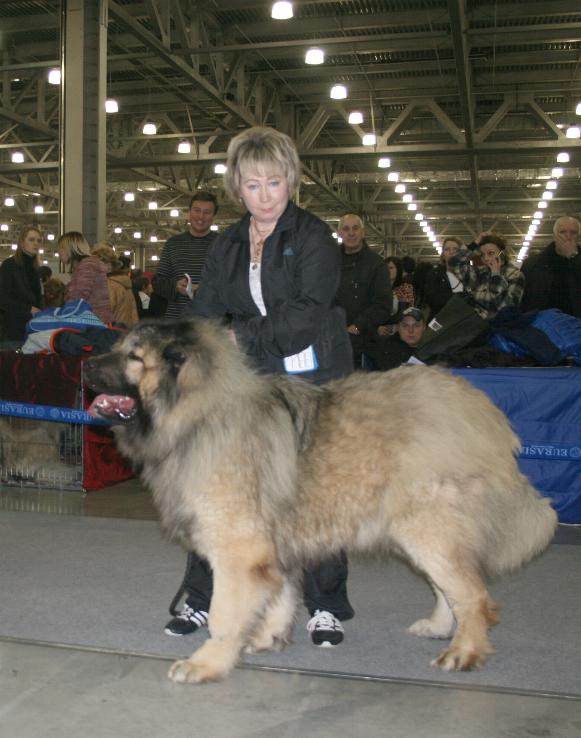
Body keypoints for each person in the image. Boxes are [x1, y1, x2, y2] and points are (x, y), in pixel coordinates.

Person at [170, 126, 355, 648]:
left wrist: (234, 337)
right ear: (237, 188)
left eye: (275, 182)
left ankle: (325, 606)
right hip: (250, 377)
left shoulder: (315, 236)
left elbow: (305, 314)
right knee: (220, 488)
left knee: (316, 492)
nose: (266, 195)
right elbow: (205, 310)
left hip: (313, 379)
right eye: (253, 185)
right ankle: (201, 598)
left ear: (291, 180)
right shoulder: (227, 243)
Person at [335, 213, 393, 367]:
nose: (351, 233)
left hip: (364, 343)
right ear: (340, 233)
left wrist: (357, 326)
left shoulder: (377, 265)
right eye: (346, 229)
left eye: (355, 228)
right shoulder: (328, 261)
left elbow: (383, 304)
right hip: (332, 340)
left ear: (363, 232)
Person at [154, 191, 219, 319]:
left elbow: (233, 286)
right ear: (189, 213)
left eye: (207, 212)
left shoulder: (223, 245)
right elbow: (158, 283)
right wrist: (175, 287)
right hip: (177, 322)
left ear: (214, 216)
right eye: (197, 210)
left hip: (212, 325)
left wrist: (205, 290)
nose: (201, 217)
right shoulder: (172, 244)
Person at [447, 233, 525, 319]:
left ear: (502, 253)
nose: (486, 258)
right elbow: (454, 263)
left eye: (491, 253)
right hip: (474, 326)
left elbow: (504, 307)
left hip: (500, 328)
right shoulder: (478, 273)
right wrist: (474, 244)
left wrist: (496, 276)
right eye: (483, 255)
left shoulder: (515, 275)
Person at [521, 216, 581, 318]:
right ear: (554, 236)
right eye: (562, 232)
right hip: (542, 324)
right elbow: (525, 297)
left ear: (578, 237)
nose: (568, 236)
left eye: (573, 233)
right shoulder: (534, 263)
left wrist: (574, 258)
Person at [0, 225, 43, 346]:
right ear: (22, 242)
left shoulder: (36, 269)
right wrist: (28, 309)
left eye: (38, 240)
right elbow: (2, 299)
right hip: (13, 331)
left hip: (33, 330)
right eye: (31, 239)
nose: (36, 243)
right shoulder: (9, 265)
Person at [57, 232, 113, 324]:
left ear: (69, 249)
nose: (59, 253)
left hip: (92, 321)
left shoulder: (87, 266)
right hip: (94, 319)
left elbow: (78, 296)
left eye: (60, 249)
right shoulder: (86, 265)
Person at [366, 306, 427, 371]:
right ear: (397, 328)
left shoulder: (432, 350)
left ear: (424, 327)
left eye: (416, 325)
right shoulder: (386, 349)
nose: (410, 331)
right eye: (405, 326)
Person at [92, 244, 138, 328]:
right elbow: (134, 316)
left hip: (109, 336)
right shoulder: (124, 284)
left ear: (109, 265)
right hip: (126, 335)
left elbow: (100, 318)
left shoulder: (108, 285)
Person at [422, 236, 464, 319]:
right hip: (440, 320)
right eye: (447, 249)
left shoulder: (469, 274)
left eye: (455, 249)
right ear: (443, 254)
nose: (451, 252)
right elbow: (432, 299)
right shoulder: (434, 273)